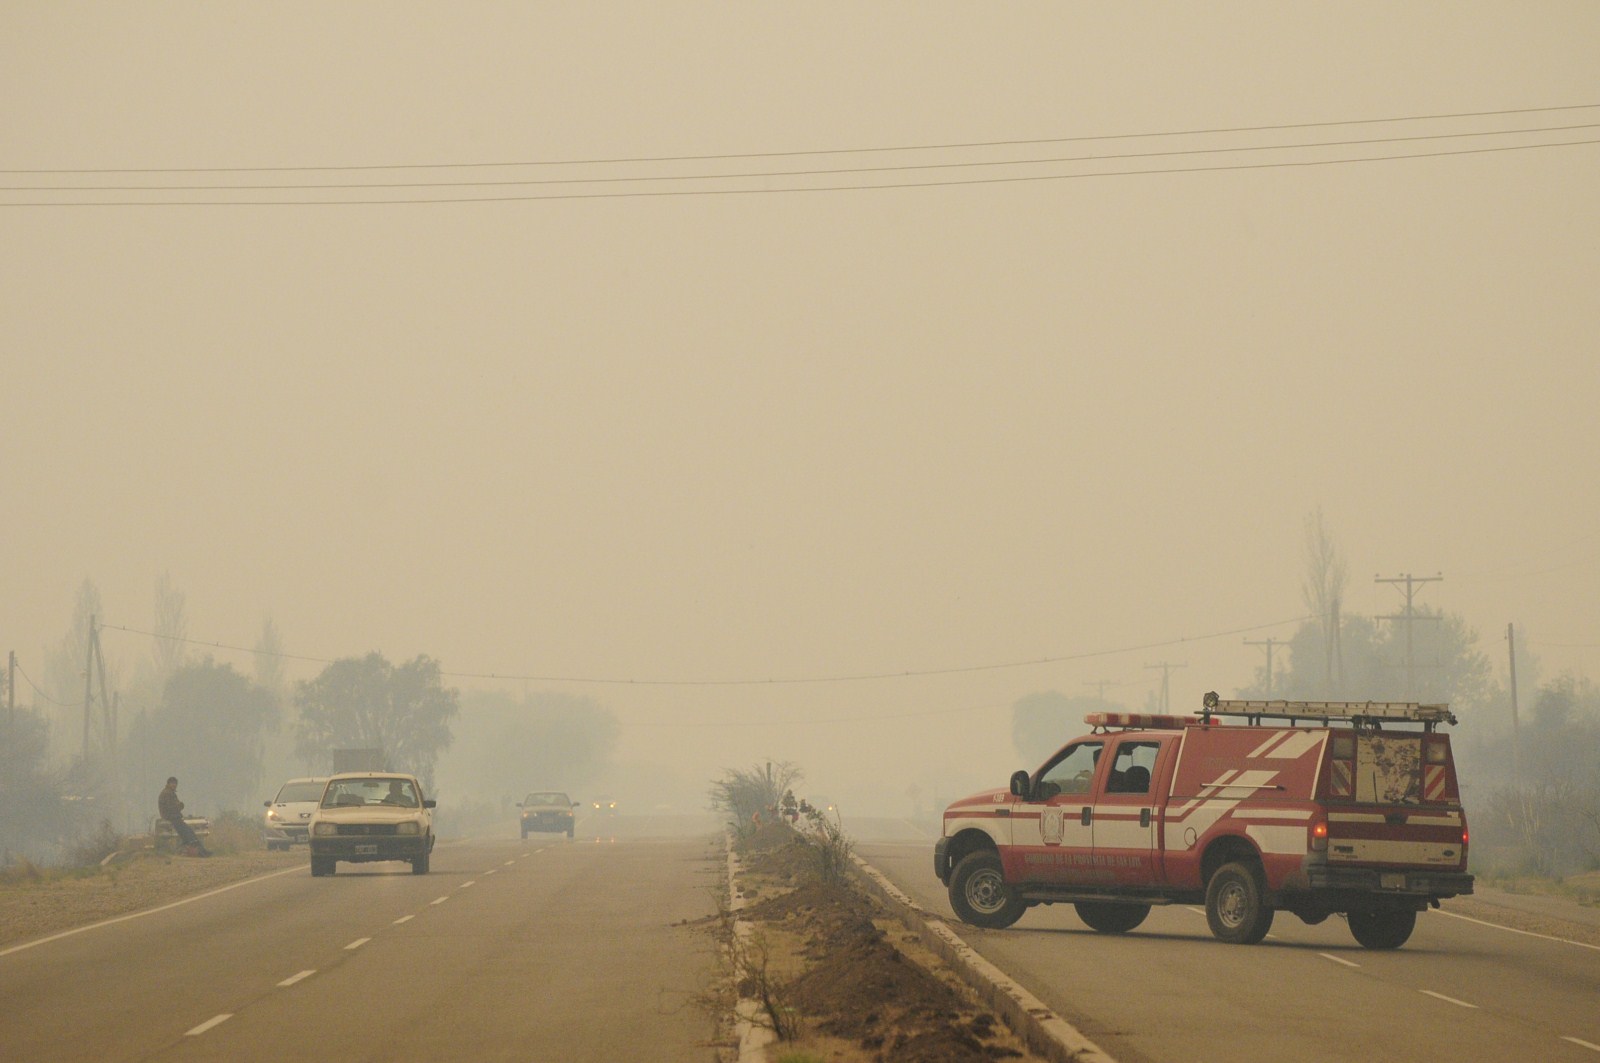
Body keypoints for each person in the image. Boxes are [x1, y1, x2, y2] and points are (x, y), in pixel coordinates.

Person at [158, 777, 210, 856]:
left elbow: (175, 806)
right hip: (172, 817)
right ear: (168, 784)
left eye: (175, 784)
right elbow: (172, 807)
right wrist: (180, 806)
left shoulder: (169, 792)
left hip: (173, 816)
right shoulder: (167, 793)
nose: (174, 785)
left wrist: (179, 806)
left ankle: (200, 850)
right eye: (172, 783)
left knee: (189, 833)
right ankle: (200, 851)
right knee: (188, 833)